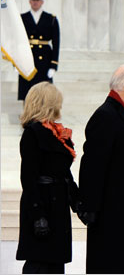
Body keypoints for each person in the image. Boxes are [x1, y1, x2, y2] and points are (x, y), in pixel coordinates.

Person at [77, 64, 124, 274]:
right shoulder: (106, 116)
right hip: (112, 218)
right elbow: (92, 165)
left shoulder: (119, 114)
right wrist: (89, 206)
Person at [16, 82, 79, 274]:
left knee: (55, 263)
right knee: (39, 262)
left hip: (57, 205)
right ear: (48, 103)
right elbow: (28, 178)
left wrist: (77, 202)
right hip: (42, 206)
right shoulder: (33, 133)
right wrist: (37, 216)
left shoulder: (55, 133)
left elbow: (64, 173)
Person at [18, 0, 60, 102]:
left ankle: (43, 117)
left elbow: (56, 44)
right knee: (27, 91)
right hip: (27, 58)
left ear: (42, 1)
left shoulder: (51, 19)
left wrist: (53, 65)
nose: (35, 1)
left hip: (44, 60)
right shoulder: (21, 18)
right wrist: (15, 63)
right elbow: (18, 42)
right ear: (29, 1)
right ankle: (28, 116)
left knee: (44, 92)